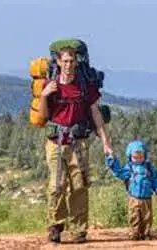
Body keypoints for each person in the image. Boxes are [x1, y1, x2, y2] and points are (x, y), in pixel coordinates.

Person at [38, 46, 113, 243]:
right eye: (65, 61)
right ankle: (56, 226)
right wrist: (45, 95)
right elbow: (43, 117)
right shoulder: (51, 85)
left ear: (76, 63)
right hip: (56, 143)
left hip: (79, 142)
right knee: (57, 185)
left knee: (79, 185)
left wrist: (105, 141)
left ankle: (79, 230)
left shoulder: (85, 86)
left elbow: (95, 113)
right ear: (59, 62)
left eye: (72, 61)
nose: (69, 65)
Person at [105, 139, 157, 240]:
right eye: (135, 157)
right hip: (134, 198)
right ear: (130, 157)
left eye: (141, 157)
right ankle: (134, 233)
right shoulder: (129, 168)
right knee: (134, 215)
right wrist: (112, 160)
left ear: (145, 155)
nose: (138, 159)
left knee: (147, 217)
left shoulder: (149, 168)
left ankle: (146, 233)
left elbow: (155, 179)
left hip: (147, 198)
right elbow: (119, 172)